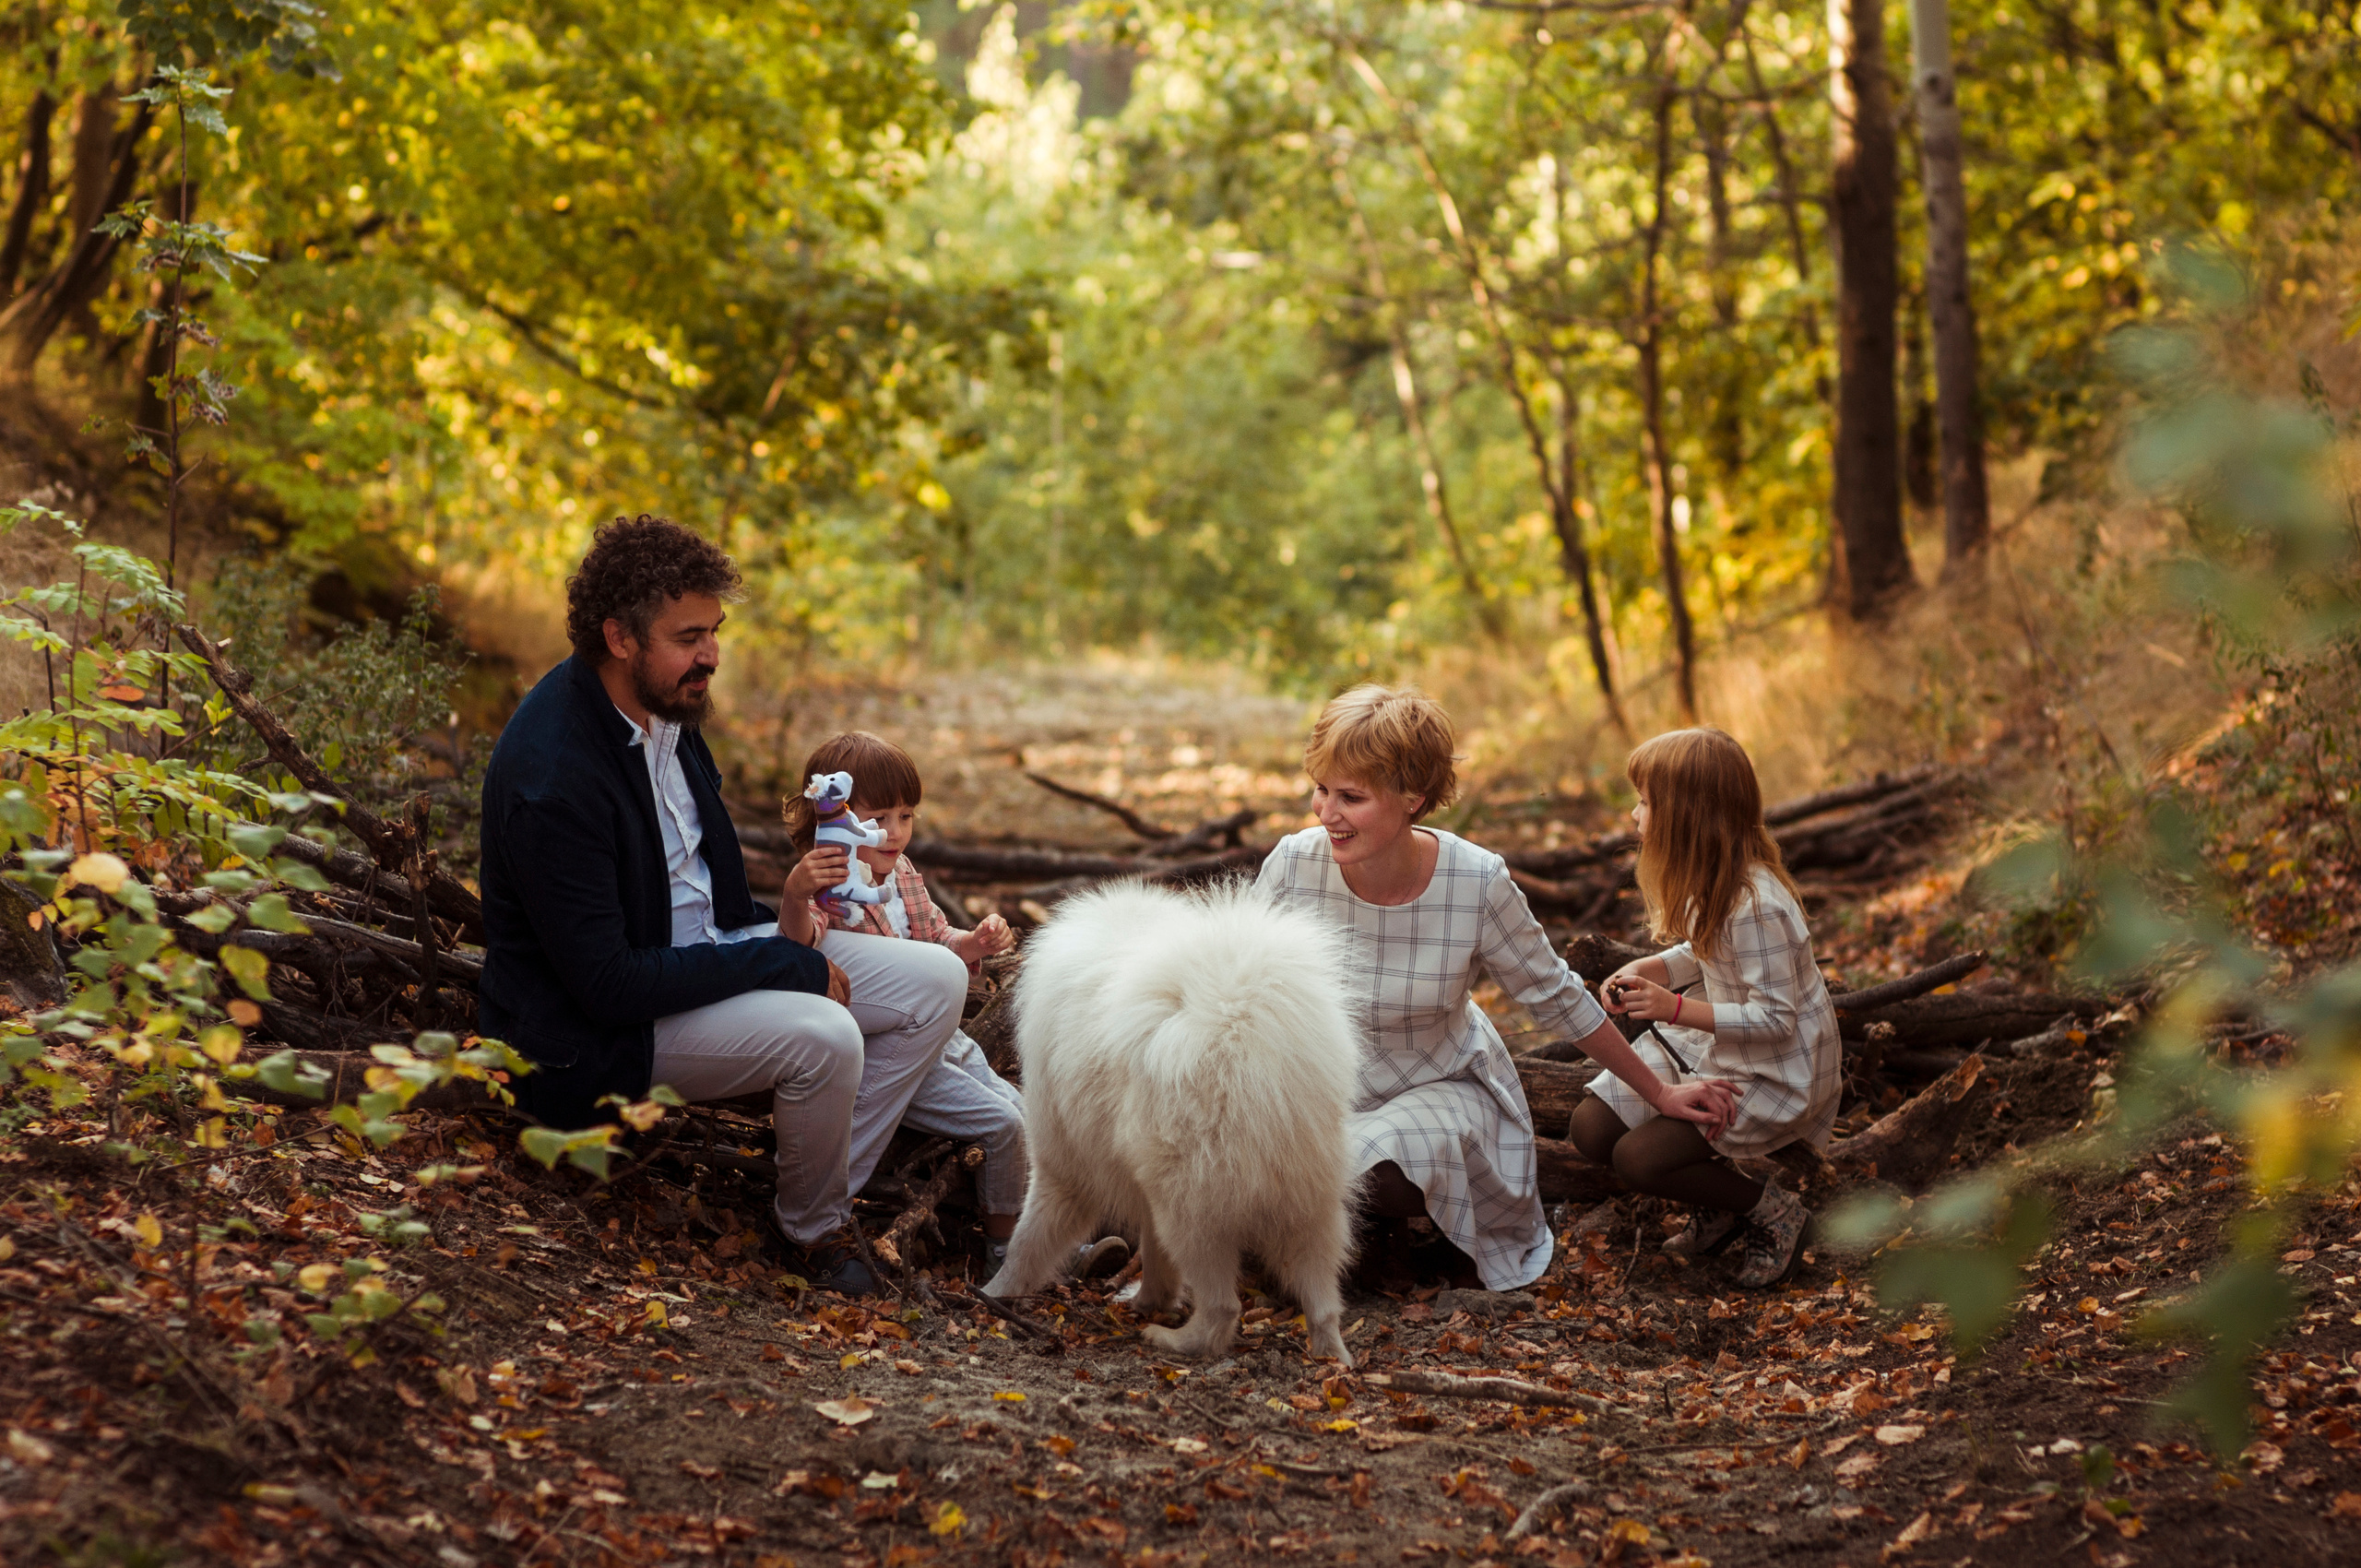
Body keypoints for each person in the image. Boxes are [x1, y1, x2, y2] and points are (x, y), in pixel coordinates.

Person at [477, 516, 967, 1297]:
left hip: (704, 954)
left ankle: (835, 1180)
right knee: (825, 1034)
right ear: (620, 637)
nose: (710, 654)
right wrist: (780, 960)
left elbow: (709, 898)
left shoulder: (666, 709)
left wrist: (781, 938)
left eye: (714, 631)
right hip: (602, 1030)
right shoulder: (555, 776)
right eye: (688, 636)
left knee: (938, 980)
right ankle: (813, 1227)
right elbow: (605, 985)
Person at [1255, 685, 1736, 1292]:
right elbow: (1233, 993)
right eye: (1321, 789)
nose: (1326, 814)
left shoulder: (1475, 882)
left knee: (1376, 1171)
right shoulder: (1294, 865)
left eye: (1351, 797)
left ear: (1414, 799)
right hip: (1320, 1088)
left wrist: (1660, 1093)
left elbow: (1558, 997)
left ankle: (1382, 1231)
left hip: (1438, 1082)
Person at [779, 731, 1131, 1280]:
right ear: (834, 817)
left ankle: (1048, 1245)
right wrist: (795, 895)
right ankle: (1009, 1255)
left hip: (946, 1038)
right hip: (893, 1055)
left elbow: (935, 942)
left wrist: (975, 943)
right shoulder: (832, 880)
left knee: (1028, 1115)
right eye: (878, 818)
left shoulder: (902, 874)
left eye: (906, 815)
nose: (895, 833)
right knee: (1004, 1125)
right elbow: (800, 947)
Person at [1572, 727, 1842, 1289]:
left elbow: (1775, 1020)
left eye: (1646, 803)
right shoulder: (1712, 880)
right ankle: (1711, 1199)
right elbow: (1704, 952)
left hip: (1773, 1068)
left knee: (1639, 1159)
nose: (1634, 815)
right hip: (1722, 1042)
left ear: (1684, 815)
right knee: (1591, 1129)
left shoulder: (1757, 905)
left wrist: (1671, 1008)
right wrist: (1654, 969)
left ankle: (1771, 1212)